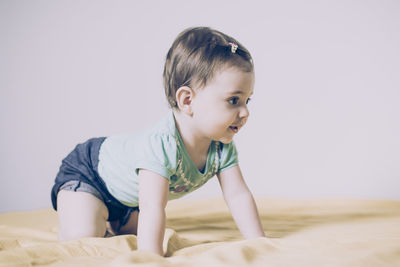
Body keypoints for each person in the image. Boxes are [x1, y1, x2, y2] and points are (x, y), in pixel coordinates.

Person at [51, 26, 265, 256]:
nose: (245, 112)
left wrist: (260, 242)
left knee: (133, 231)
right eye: (233, 100)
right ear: (187, 100)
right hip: (90, 174)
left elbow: (238, 195)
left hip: (126, 198)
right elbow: (152, 207)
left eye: (247, 101)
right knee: (84, 235)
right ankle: (79, 212)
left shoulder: (221, 147)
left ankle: (112, 215)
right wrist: (150, 258)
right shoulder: (162, 145)